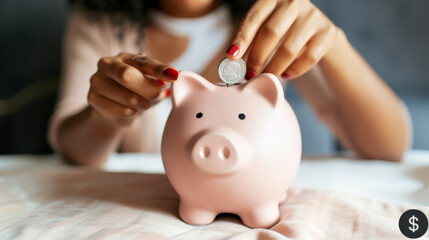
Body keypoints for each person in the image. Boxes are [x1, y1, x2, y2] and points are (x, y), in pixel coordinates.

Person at [48, 0, 412, 166]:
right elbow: (73, 149)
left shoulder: (277, 19)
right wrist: (109, 112)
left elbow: (390, 147)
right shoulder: (98, 23)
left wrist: (333, 44)